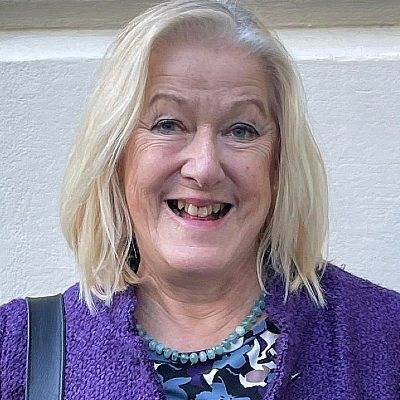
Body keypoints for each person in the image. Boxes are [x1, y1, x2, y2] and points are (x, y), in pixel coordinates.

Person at [1, 0, 399, 399]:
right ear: (116, 156)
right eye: (168, 124)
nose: (204, 168)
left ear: (278, 164)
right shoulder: (19, 350)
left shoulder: (385, 341)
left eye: (241, 130)